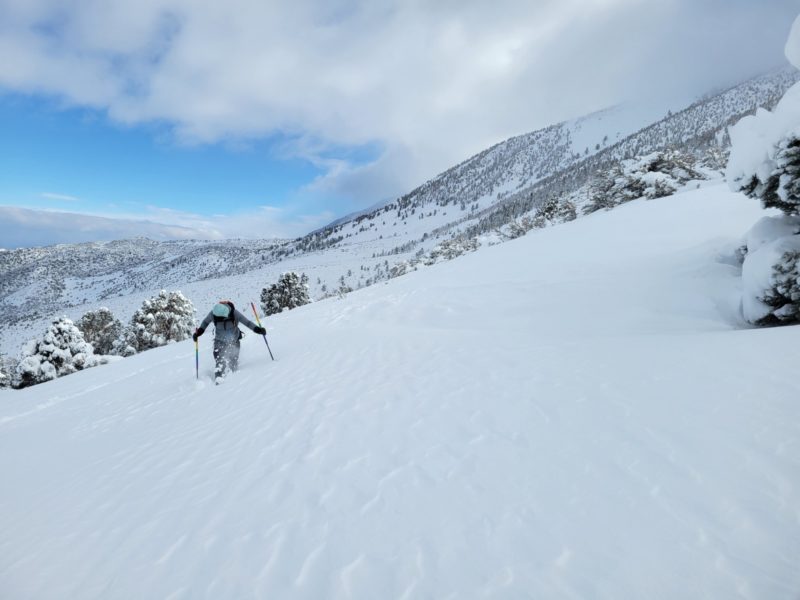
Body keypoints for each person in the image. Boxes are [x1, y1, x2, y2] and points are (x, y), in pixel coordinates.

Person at [193, 300, 265, 382]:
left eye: (222, 318)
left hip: (234, 342)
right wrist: (198, 333)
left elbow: (247, 323)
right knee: (219, 362)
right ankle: (218, 382)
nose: (220, 319)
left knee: (233, 362)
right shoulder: (213, 314)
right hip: (219, 342)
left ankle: (233, 382)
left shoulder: (234, 313)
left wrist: (258, 330)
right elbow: (205, 322)